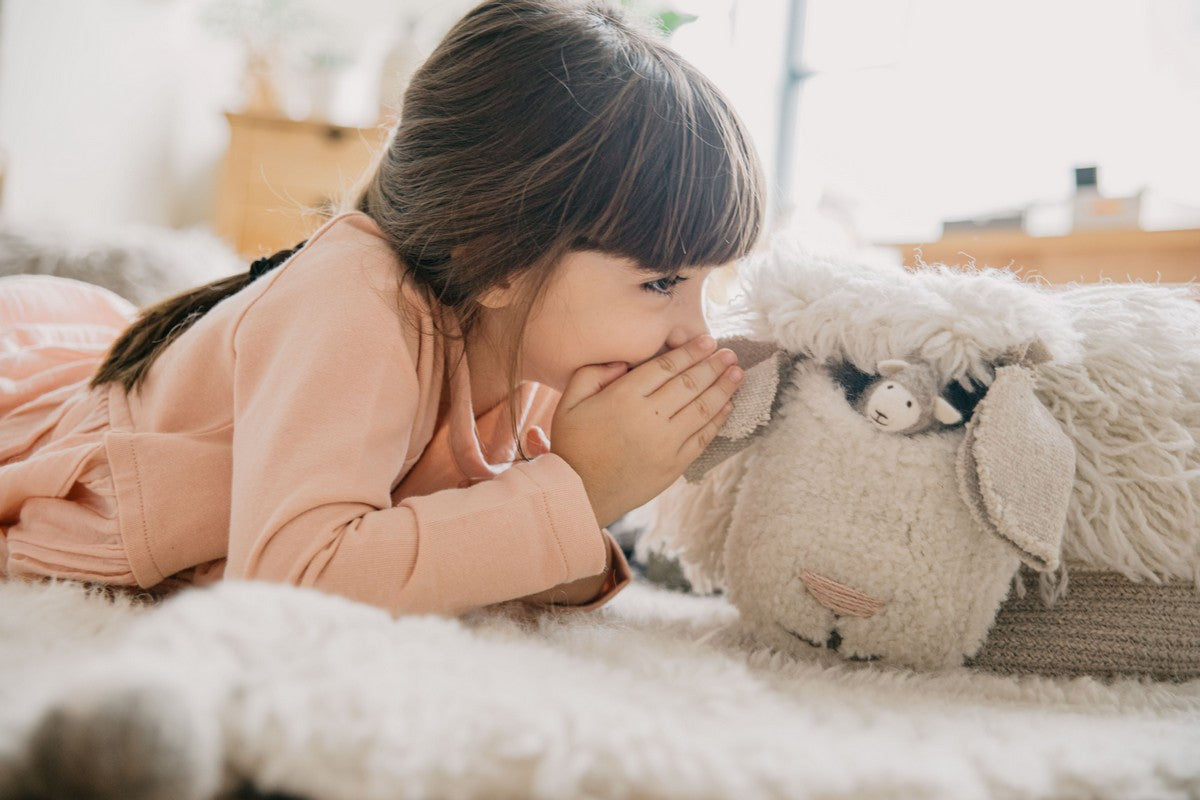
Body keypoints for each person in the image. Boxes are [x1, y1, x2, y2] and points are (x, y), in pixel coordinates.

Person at [0, 0, 764, 615]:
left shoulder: (531, 363)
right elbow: (293, 584)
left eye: (705, 285)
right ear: (494, 257)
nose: (693, 332)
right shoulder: (357, 299)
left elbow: (521, 567)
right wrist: (581, 490)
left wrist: (575, 483)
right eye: (662, 282)